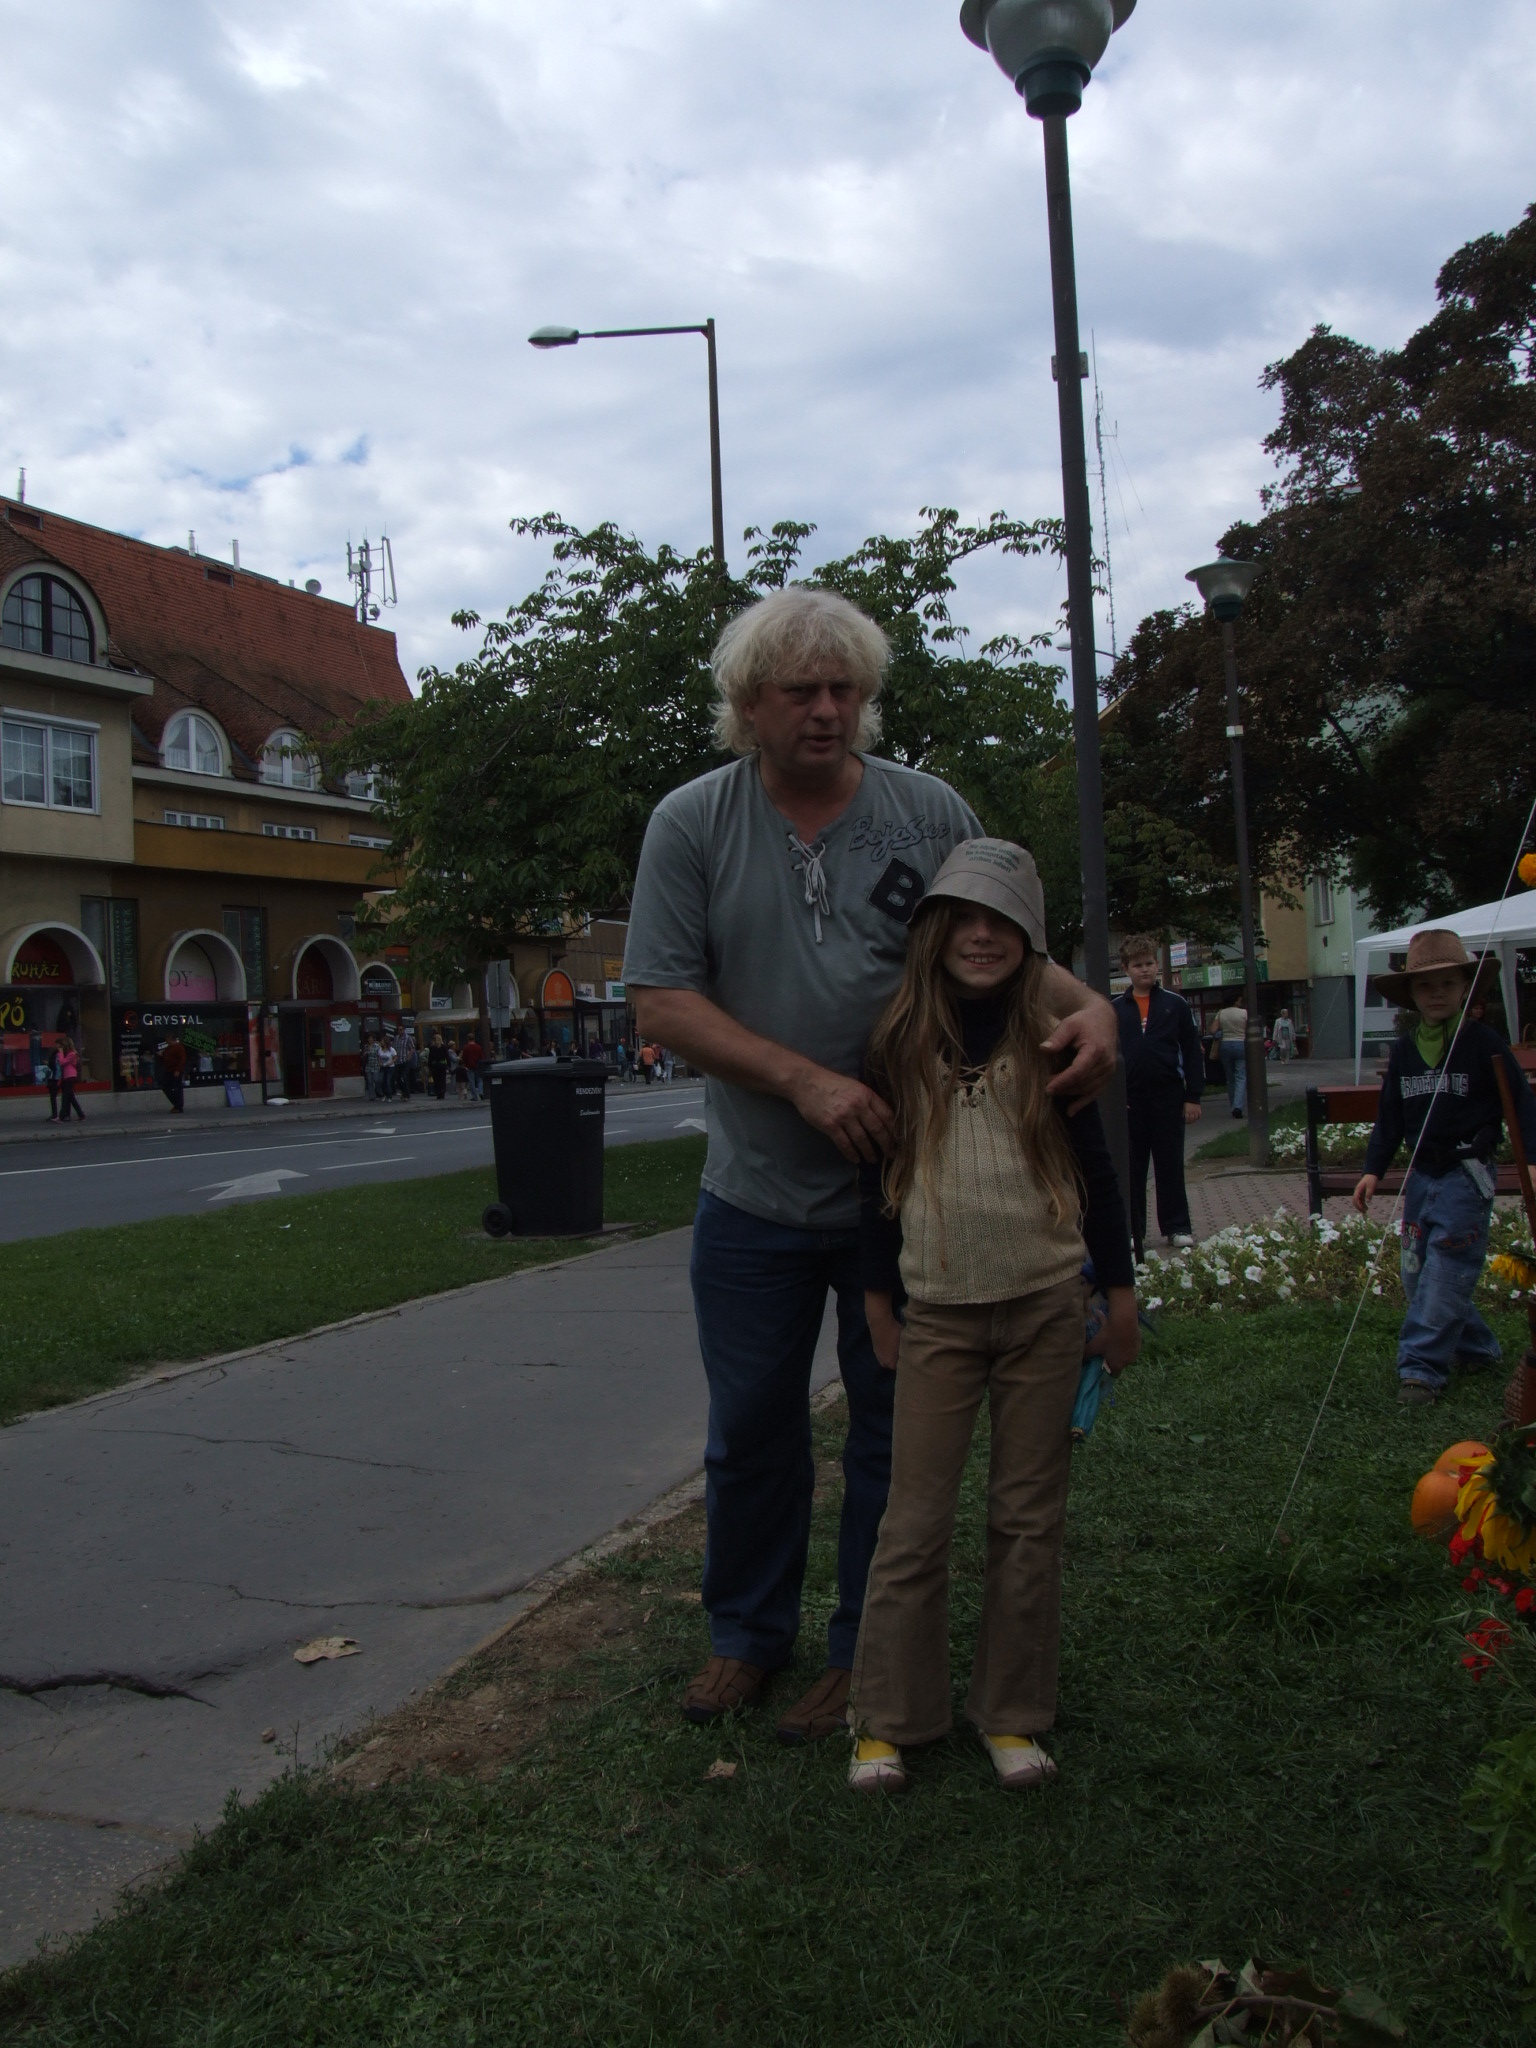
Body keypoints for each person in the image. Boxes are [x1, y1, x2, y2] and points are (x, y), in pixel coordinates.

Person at [625, 584, 1119, 1744]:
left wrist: (1094, 1006)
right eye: (800, 690)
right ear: (748, 703)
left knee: (894, 1430)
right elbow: (661, 999)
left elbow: (1003, 945)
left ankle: (863, 1651)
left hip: (906, 1197)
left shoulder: (928, 810)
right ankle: (747, 1635)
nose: (827, 709)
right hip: (752, 1190)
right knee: (752, 1424)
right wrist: (804, 1080)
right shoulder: (692, 823)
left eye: (845, 689)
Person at [847, 841, 1137, 1792]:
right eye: (964, 919)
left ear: (1030, 940)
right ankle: (888, 1719)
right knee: (913, 1522)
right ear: (934, 932)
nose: (982, 936)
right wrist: (880, 1307)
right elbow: (874, 1190)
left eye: (1003, 922)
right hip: (937, 1317)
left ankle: (1012, 1714)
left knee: (1026, 1520)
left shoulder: (1054, 1042)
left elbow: (1098, 1176)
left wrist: (1120, 1297)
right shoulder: (895, 1045)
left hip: (1047, 1311)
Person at [1354, 929, 1536, 1406]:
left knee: (1449, 1267)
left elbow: (1521, 1103)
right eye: (1426, 985)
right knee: (1417, 1273)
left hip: (1466, 1176)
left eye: (1448, 984)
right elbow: (1390, 1116)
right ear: (1412, 994)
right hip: (1422, 1177)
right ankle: (1477, 1348)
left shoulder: (1482, 1043)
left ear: (1465, 989)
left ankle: (1420, 1369)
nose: (1437, 994)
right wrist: (1373, 1168)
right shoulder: (1405, 1050)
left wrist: (1532, 1159)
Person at [1112, 934, 1203, 1257]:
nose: (1145, 970)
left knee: (1169, 1164)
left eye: (1149, 963)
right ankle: (1133, 1230)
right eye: (1138, 965)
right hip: (1130, 1100)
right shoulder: (1115, 1010)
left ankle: (1177, 1227)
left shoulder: (1174, 1005)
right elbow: (1109, 1056)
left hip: (1169, 1097)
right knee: (1132, 1169)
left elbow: (1191, 1051)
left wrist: (1193, 1096)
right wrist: (1113, 1097)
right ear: (1126, 969)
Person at [1214, 997, 1248, 1118]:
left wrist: (1221, 1032)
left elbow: (1213, 1029)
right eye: (1239, 1000)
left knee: (1230, 1078)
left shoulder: (1221, 1013)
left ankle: (1233, 1105)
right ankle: (1237, 1107)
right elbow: (1247, 1028)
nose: (1240, 1002)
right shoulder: (1244, 1013)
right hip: (1241, 1043)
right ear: (1235, 1001)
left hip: (1225, 1044)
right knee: (1241, 1076)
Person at [56, 1035, 86, 1122]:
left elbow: (62, 1062)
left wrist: (60, 1053)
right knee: (71, 1097)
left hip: (70, 1076)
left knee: (65, 1097)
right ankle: (81, 1114)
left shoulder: (72, 1054)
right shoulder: (69, 1054)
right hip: (66, 1076)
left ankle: (61, 1116)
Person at [159, 1033, 187, 1113]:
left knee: (177, 1088)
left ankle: (178, 1106)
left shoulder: (178, 1047)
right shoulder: (168, 1048)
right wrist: (161, 1056)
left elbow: (182, 1059)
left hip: (175, 1070)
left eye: (167, 1039)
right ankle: (176, 1103)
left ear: (171, 1039)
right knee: (166, 1087)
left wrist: (178, 1070)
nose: (166, 1041)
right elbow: (165, 1057)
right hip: (168, 1070)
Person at [461, 1033, 485, 1099]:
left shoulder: (466, 1047)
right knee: (479, 1080)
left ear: (467, 1039)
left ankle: (474, 1096)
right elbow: (482, 1057)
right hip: (478, 1066)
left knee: (471, 1082)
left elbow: (464, 1058)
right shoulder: (478, 1047)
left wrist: (465, 1065)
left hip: (469, 1066)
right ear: (474, 1038)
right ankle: (480, 1092)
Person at [427, 1031, 450, 1101]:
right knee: (442, 1079)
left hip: (435, 1065)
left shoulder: (432, 1048)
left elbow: (430, 1058)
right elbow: (447, 1056)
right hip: (442, 1065)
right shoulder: (444, 1047)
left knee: (436, 1080)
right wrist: (448, 1065)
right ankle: (442, 1093)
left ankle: (438, 1093)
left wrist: (429, 1066)